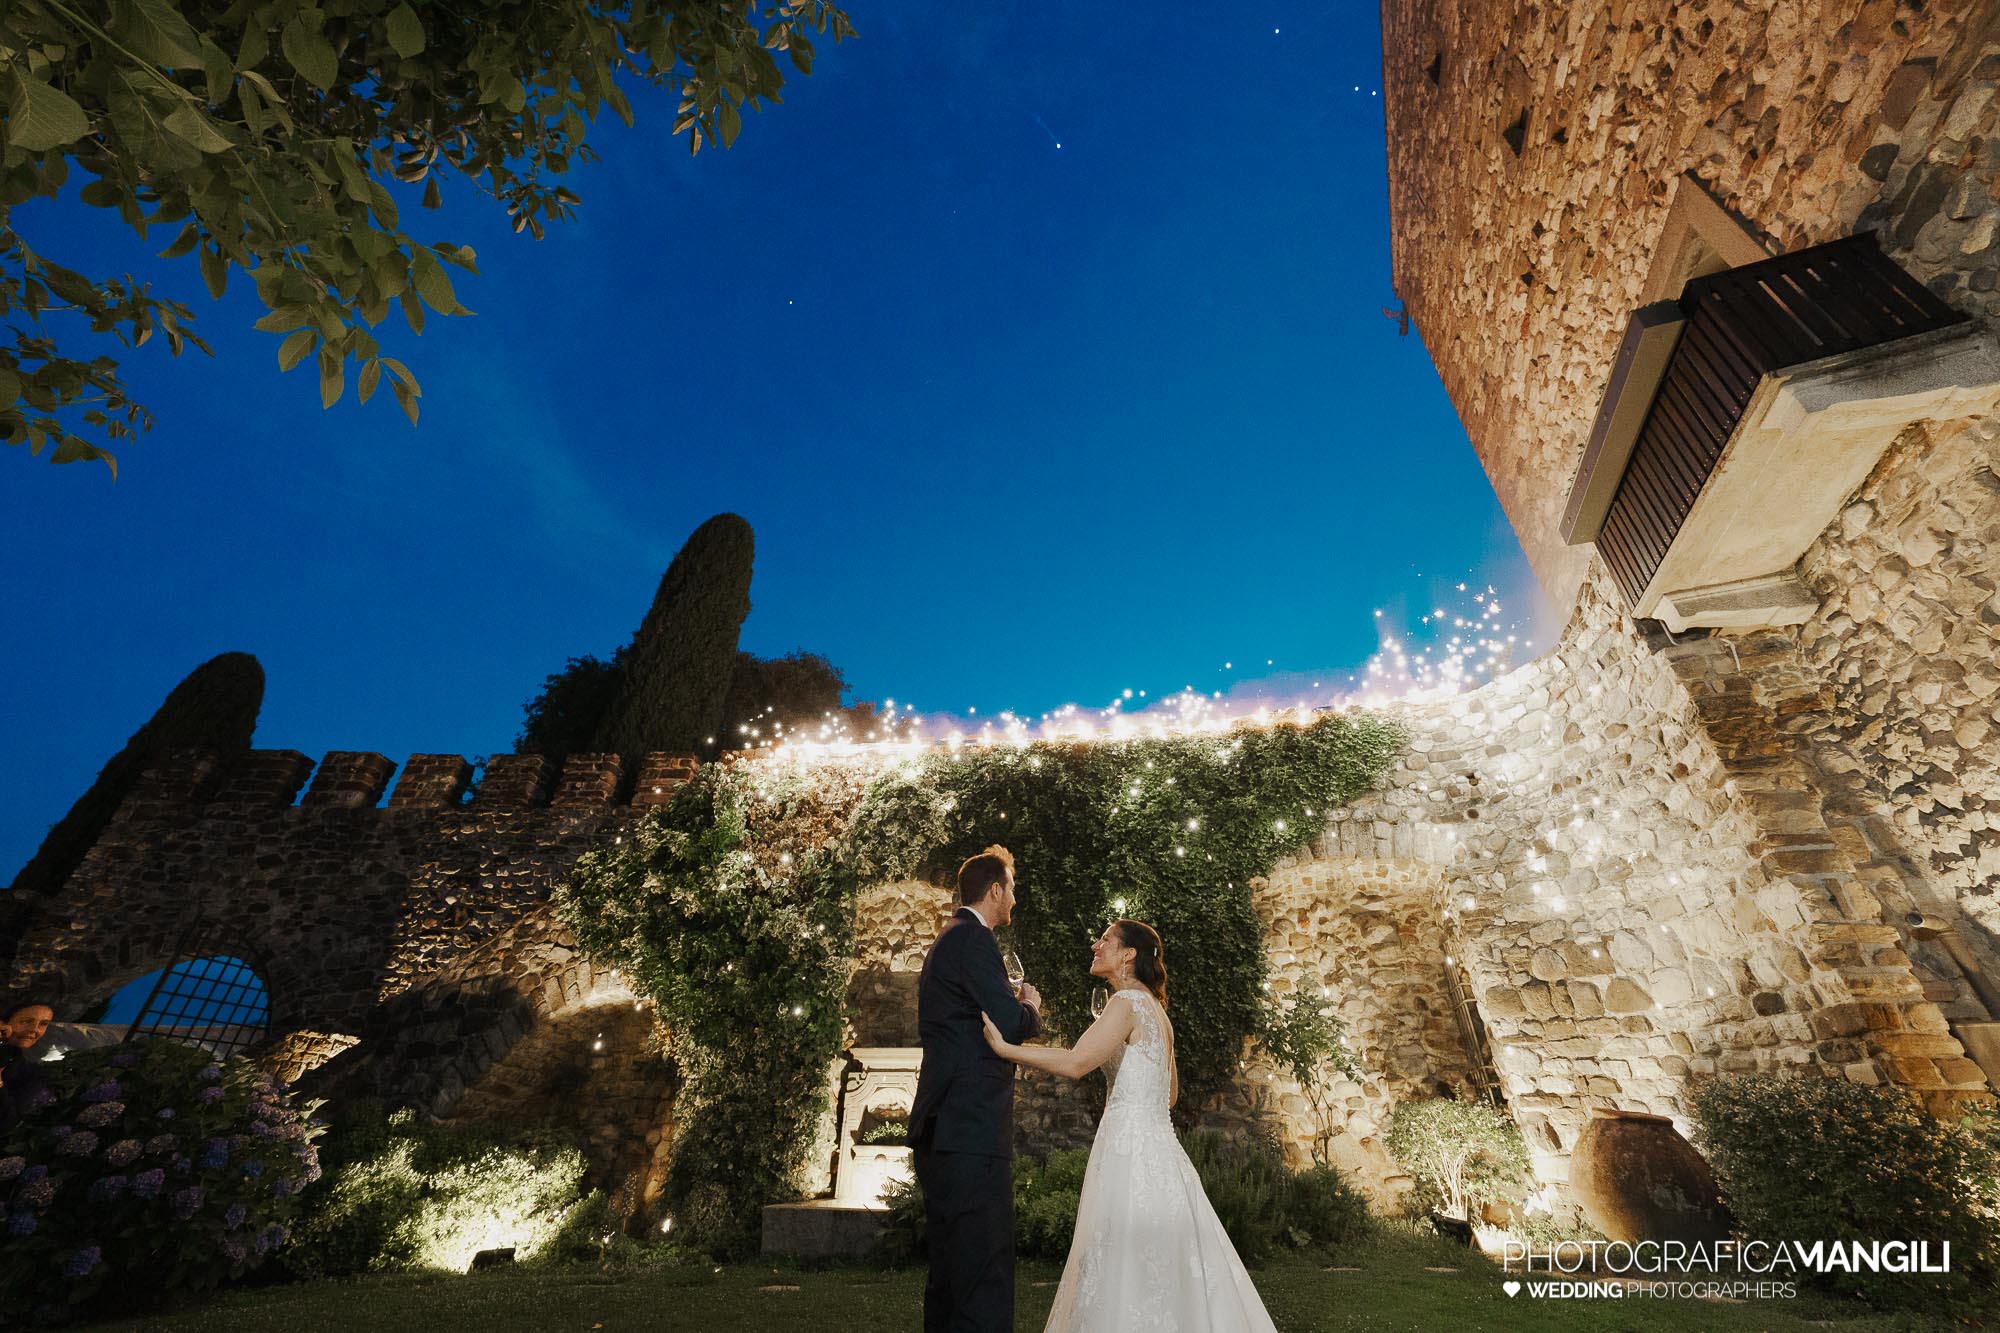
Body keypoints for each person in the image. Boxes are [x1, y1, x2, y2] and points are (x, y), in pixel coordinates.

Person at [982, 919, 1278, 1333]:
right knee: (1164, 1260)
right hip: (1161, 1152)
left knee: (1121, 1256)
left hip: (1129, 1154)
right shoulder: (1156, 1011)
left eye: (1105, 939)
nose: (1094, 945)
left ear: (1128, 954)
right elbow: (1169, 1095)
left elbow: (1075, 1062)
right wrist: (1121, 1066)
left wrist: (1005, 1049)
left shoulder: (1125, 1004)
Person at [910, 845, 1044, 1333]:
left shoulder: (953, 937)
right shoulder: (973, 940)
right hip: (969, 1128)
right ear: (994, 891)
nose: (1015, 898)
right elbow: (1009, 1023)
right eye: (1012, 888)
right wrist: (1030, 1006)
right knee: (981, 1273)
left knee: (951, 1274)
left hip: (948, 1127)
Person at [0, 999, 56, 1133]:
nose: (34, 1029)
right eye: (26, 1021)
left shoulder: (32, 1073)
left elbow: (8, 1122)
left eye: (43, 1024)